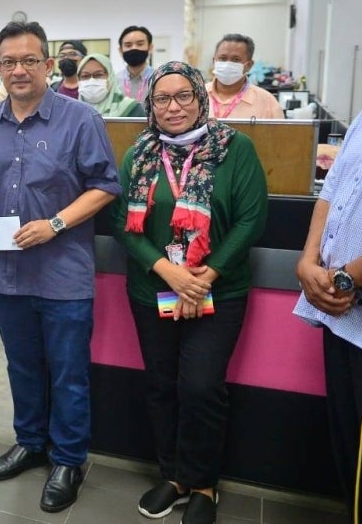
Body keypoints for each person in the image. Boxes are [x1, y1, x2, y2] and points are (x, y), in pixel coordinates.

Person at [0, 21, 120, 513]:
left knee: (68, 373)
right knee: (22, 367)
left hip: (63, 273)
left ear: (48, 66)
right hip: (9, 275)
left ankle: (69, 459)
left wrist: (55, 223)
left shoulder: (80, 119)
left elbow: (105, 186)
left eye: (29, 60)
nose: (19, 70)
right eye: (9, 62)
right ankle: (30, 443)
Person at [110, 61, 267, 524]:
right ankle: (173, 476)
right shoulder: (138, 153)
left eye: (183, 96)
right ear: (151, 104)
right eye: (162, 98)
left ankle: (203, 483)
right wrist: (169, 273)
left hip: (218, 290)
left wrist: (204, 276)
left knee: (200, 387)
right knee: (161, 386)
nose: (173, 107)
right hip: (152, 289)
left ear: (200, 97)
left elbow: (250, 221)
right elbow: (122, 222)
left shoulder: (234, 149)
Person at [293, 109, 362, 523]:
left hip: (345, 294)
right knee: (348, 447)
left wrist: (343, 278)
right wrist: (307, 261)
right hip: (340, 315)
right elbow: (332, 191)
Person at [206, 34, 284, 120]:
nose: (227, 64)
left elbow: (280, 133)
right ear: (214, 61)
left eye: (236, 59)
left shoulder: (268, 102)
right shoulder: (197, 95)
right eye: (222, 58)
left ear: (249, 65)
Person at [77, 53, 145, 117]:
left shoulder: (132, 109)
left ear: (110, 78)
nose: (91, 81)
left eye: (98, 75)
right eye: (85, 76)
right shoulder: (71, 111)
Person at [117, 25, 155, 102]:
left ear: (150, 47)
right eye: (128, 45)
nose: (134, 48)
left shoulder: (158, 78)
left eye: (140, 44)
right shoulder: (114, 81)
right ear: (120, 50)